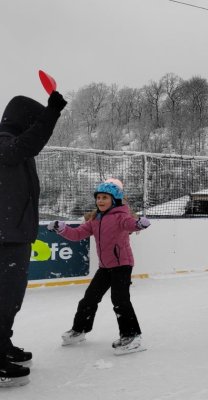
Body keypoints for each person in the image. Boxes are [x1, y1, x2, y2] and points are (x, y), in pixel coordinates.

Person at [0, 90, 67, 387]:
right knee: (3, 300)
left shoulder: (14, 147)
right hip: (5, 237)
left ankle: (3, 344)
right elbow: (26, 145)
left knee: (11, 299)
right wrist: (51, 114)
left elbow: (27, 147)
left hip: (14, 234)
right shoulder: (4, 143)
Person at [50, 179, 152, 355]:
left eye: (105, 197)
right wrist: (62, 229)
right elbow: (77, 234)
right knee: (89, 299)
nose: (100, 201)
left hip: (122, 264)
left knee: (120, 300)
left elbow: (130, 224)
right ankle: (79, 330)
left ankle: (132, 336)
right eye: (98, 198)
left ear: (115, 200)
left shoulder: (121, 216)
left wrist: (139, 224)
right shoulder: (96, 219)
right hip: (105, 267)